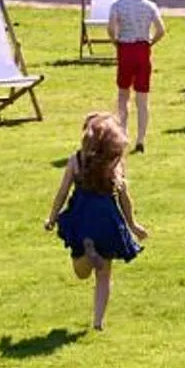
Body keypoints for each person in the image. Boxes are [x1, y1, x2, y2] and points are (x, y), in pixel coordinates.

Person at [44, 112, 149, 330]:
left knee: (81, 272)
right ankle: (98, 322)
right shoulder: (115, 165)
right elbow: (124, 198)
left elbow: (62, 192)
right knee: (104, 275)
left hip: (82, 215)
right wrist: (133, 225)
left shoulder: (76, 160)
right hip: (107, 218)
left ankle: (87, 253)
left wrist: (52, 217)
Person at [107, 0, 164, 150]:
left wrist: (115, 41)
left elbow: (111, 27)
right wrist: (150, 42)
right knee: (142, 98)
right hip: (142, 48)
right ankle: (141, 139)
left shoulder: (118, 4)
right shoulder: (150, 6)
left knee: (123, 94)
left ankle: (122, 134)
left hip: (125, 47)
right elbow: (161, 29)